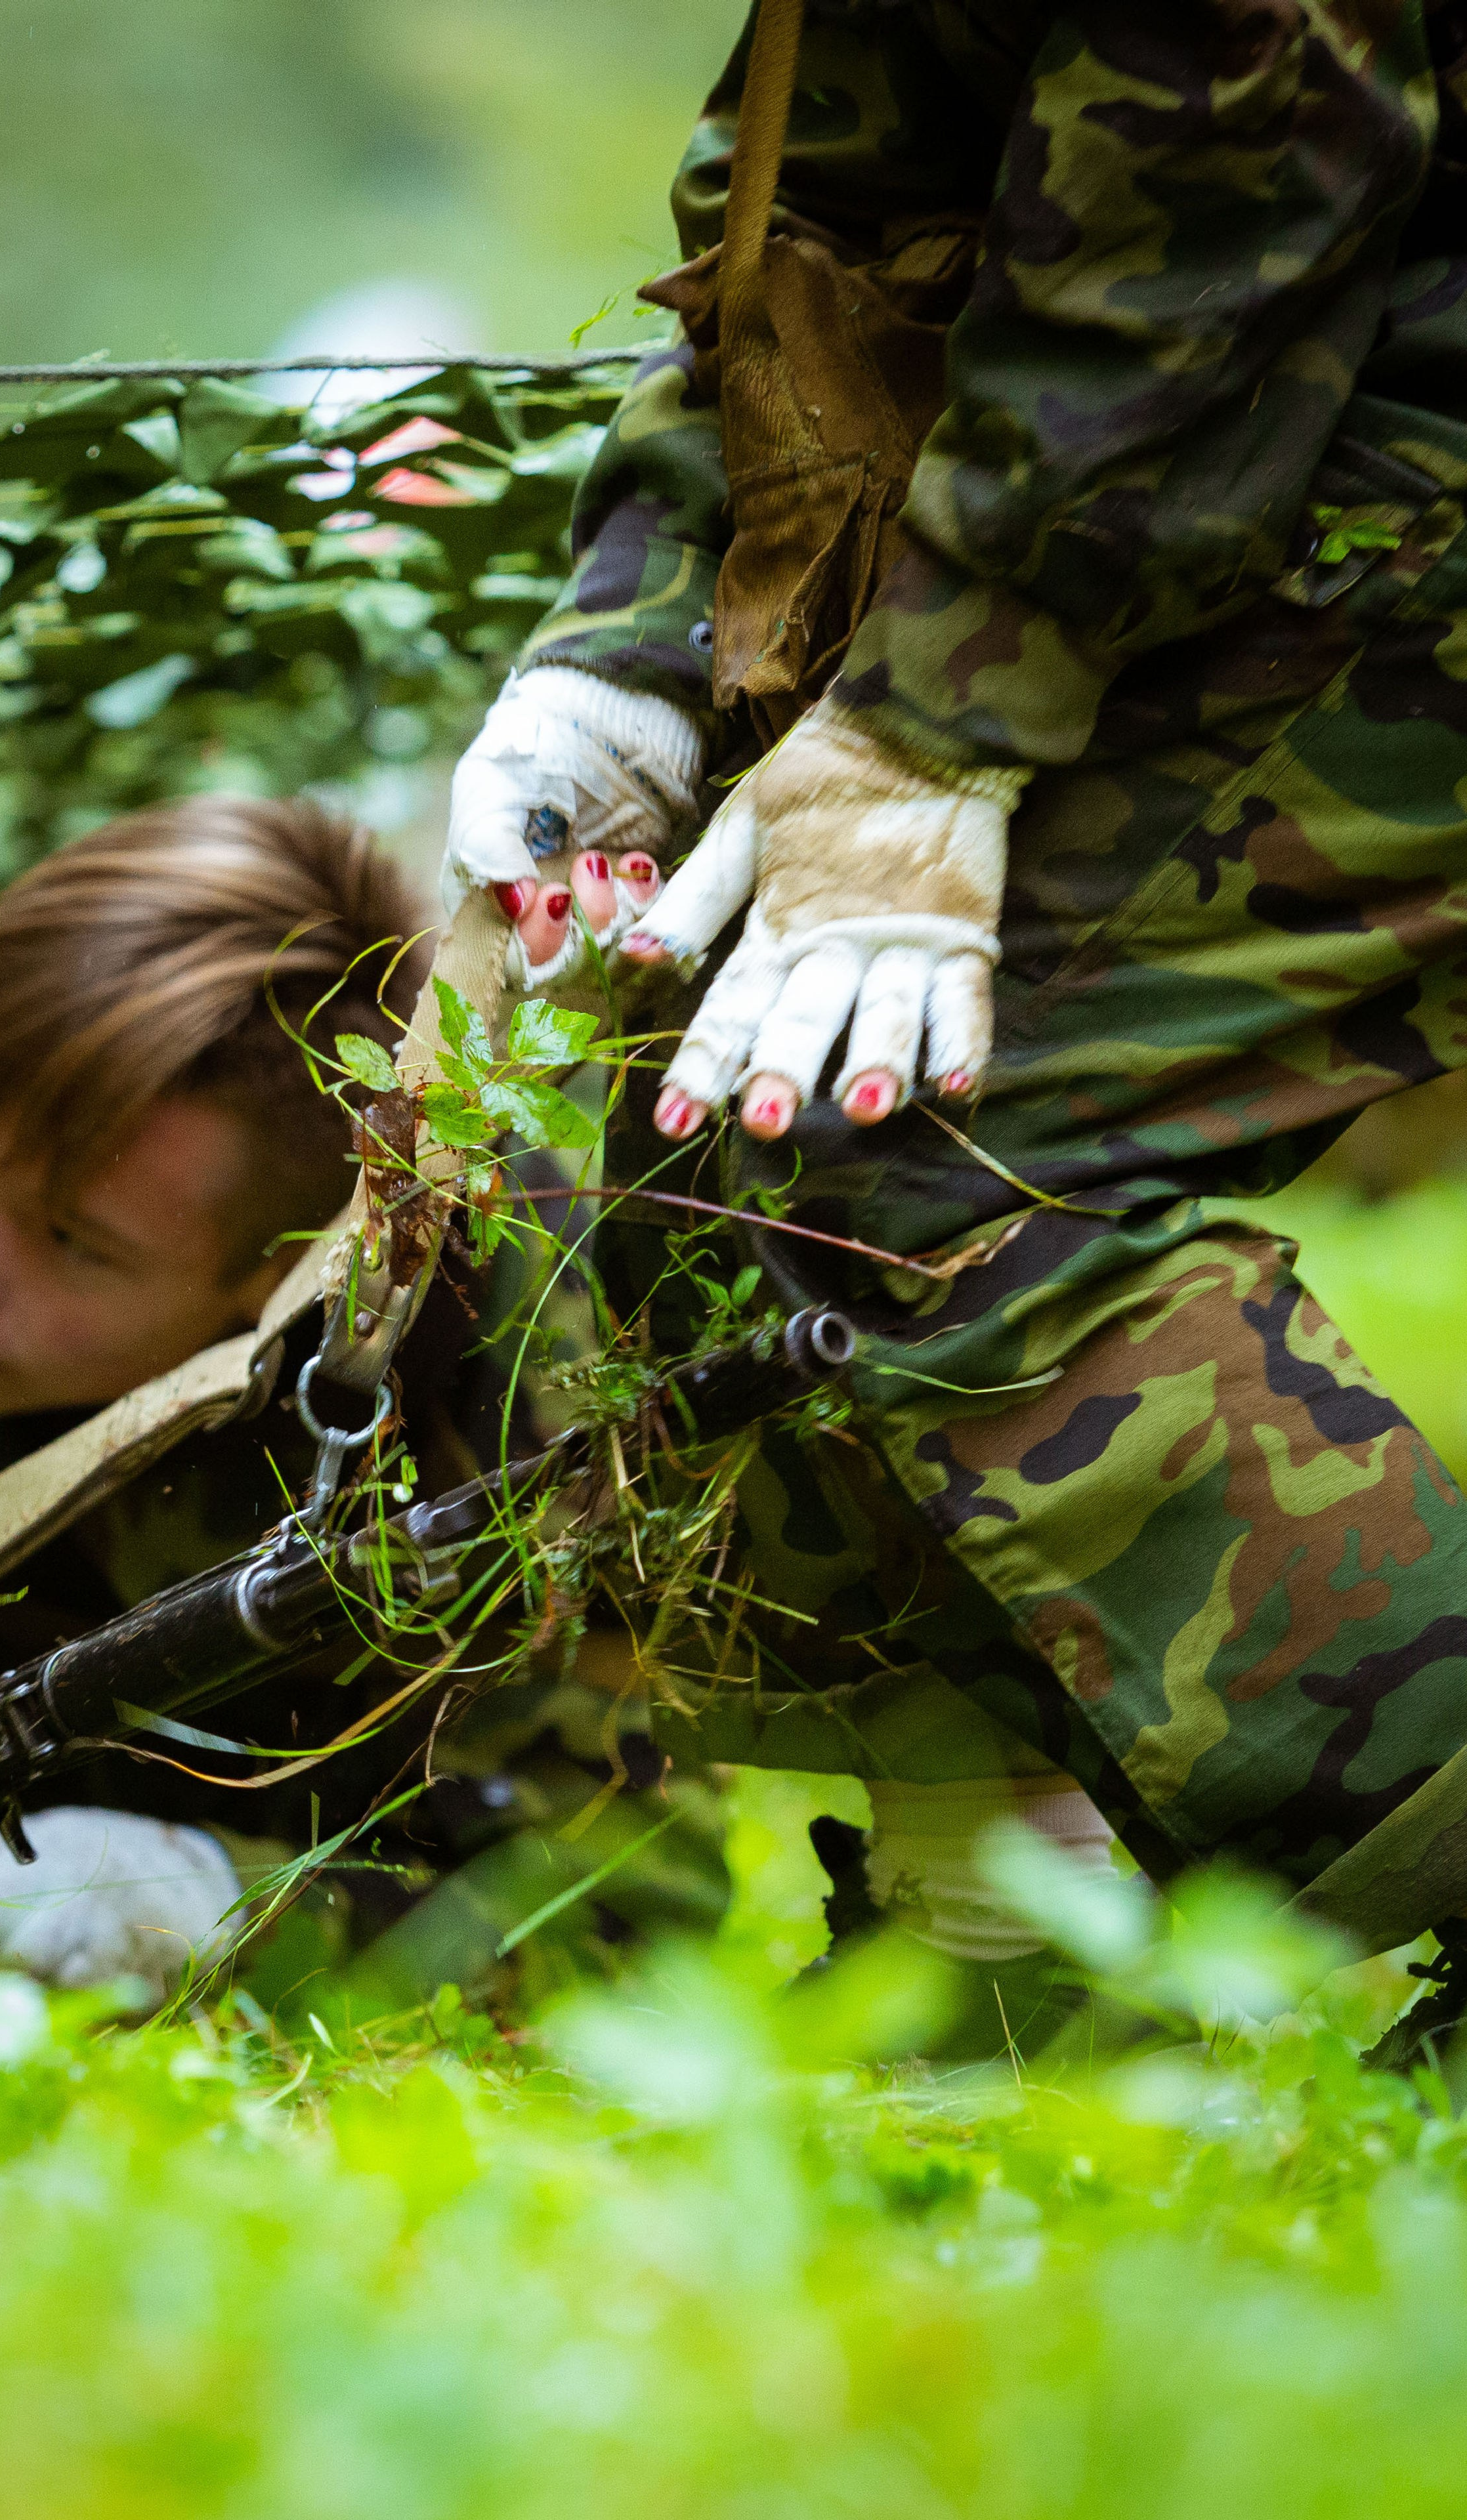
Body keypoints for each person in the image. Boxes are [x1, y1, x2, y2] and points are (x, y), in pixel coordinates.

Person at [436, 0, 1467, 2054]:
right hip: (1217, 469)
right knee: (714, 1120)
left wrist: (936, 727)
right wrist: (633, 640)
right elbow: (836, 178)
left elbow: (1236, 134)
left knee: (917, 1149)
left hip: (1359, 465)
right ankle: (1002, 1935)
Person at [0, 797, 726, 2005]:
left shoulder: (513, 1396)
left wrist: (215, 1903)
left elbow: (628, 1897)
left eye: (74, 1240)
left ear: (276, 1280)